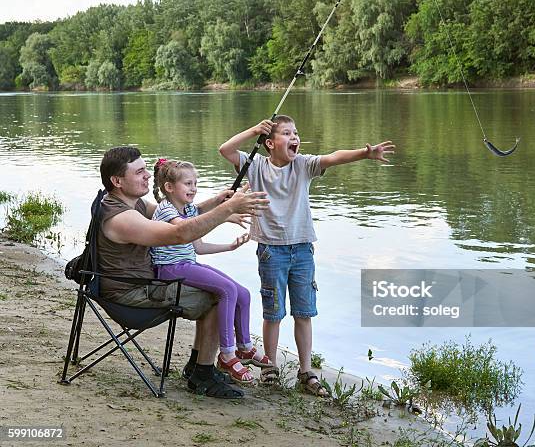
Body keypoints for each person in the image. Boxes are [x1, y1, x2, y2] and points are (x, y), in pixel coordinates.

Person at [219, 116, 394, 396]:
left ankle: (306, 371)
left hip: (302, 249)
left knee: (304, 312)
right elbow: (225, 149)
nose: (294, 137)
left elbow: (333, 157)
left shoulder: (303, 165)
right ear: (269, 143)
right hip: (270, 250)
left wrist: (365, 153)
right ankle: (270, 367)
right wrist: (252, 129)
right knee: (273, 313)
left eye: (296, 133)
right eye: (286, 133)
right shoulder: (255, 166)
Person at [97, 146, 268, 399]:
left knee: (217, 290)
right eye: (140, 172)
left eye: (146, 170)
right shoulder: (121, 218)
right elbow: (179, 233)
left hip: (138, 283)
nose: (147, 175)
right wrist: (228, 209)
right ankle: (204, 372)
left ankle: (200, 367)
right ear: (117, 181)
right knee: (215, 296)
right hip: (129, 294)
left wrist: (217, 203)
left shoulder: (135, 204)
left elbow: (179, 214)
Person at [150, 158, 273, 384]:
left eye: (195, 183)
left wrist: (230, 245)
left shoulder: (186, 209)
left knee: (243, 293)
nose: (194, 188)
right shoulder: (166, 210)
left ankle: (244, 347)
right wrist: (226, 210)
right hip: (169, 269)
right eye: (188, 184)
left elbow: (198, 245)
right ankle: (227, 353)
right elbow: (187, 227)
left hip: (187, 265)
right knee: (226, 290)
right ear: (169, 187)